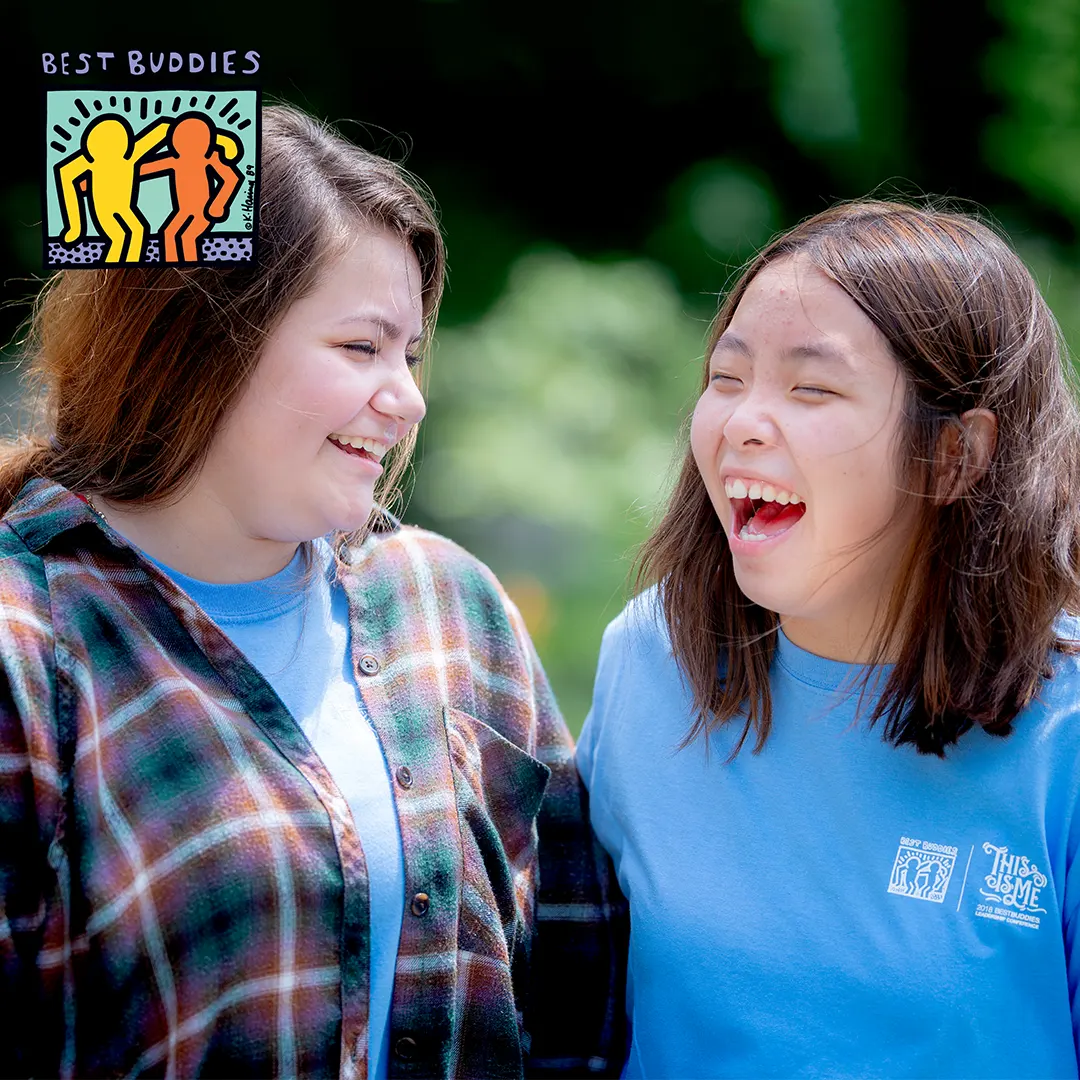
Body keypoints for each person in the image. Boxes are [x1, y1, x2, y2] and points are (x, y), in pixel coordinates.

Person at [0, 103, 625, 1079]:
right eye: (361, 348)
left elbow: (576, 986)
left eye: (411, 355)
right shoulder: (29, 646)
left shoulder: (450, 608)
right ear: (205, 339)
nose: (407, 397)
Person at [577, 200, 1080, 1078]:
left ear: (955, 456)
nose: (742, 423)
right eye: (727, 379)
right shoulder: (651, 659)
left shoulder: (1064, 736)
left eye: (812, 388)